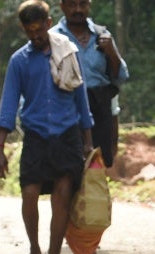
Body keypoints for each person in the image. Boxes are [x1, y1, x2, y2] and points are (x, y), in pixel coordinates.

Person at [0, 0, 99, 254]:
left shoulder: (68, 52)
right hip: (36, 137)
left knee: (62, 196)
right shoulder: (19, 61)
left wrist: (87, 140)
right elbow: (8, 105)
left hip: (67, 135)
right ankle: (34, 249)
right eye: (30, 31)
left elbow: (81, 98)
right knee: (29, 195)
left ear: (49, 24)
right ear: (23, 29)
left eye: (39, 30)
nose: (36, 36)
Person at [54, 0, 128, 168]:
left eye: (82, 4)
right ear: (62, 6)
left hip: (99, 111)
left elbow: (121, 77)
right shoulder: (54, 38)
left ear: (89, 5)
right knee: (68, 169)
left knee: (97, 168)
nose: (78, 10)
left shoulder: (102, 35)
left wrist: (112, 52)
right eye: (72, 5)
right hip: (67, 109)